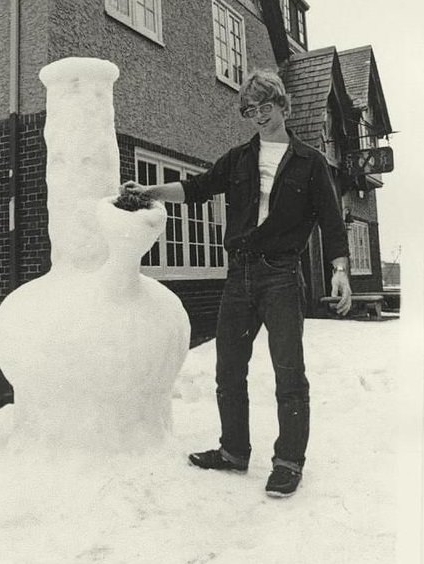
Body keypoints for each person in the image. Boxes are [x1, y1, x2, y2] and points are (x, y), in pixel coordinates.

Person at [123, 69, 352, 497]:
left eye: (266, 107)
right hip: (240, 274)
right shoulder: (239, 158)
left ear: (283, 106)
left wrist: (340, 271)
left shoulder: (310, 162)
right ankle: (233, 451)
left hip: (282, 274)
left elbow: (332, 223)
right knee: (228, 368)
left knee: (289, 372)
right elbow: (197, 188)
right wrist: (151, 191)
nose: (259, 116)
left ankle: (288, 460)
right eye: (250, 110)